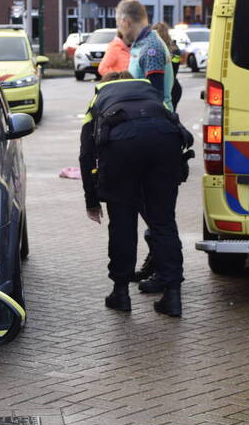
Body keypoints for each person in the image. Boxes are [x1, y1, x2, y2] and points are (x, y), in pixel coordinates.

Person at [79, 70, 187, 316]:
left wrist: (92, 200)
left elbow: (87, 154)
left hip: (121, 148)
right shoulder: (151, 94)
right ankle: (172, 296)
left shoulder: (99, 97)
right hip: (165, 142)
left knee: (122, 224)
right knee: (163, 222)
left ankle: (121, 293)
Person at [151, 22, 183, 109]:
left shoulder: (156, 50)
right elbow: (175, 68)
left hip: (167, 89)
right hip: (174, 88)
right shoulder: (175, 50)